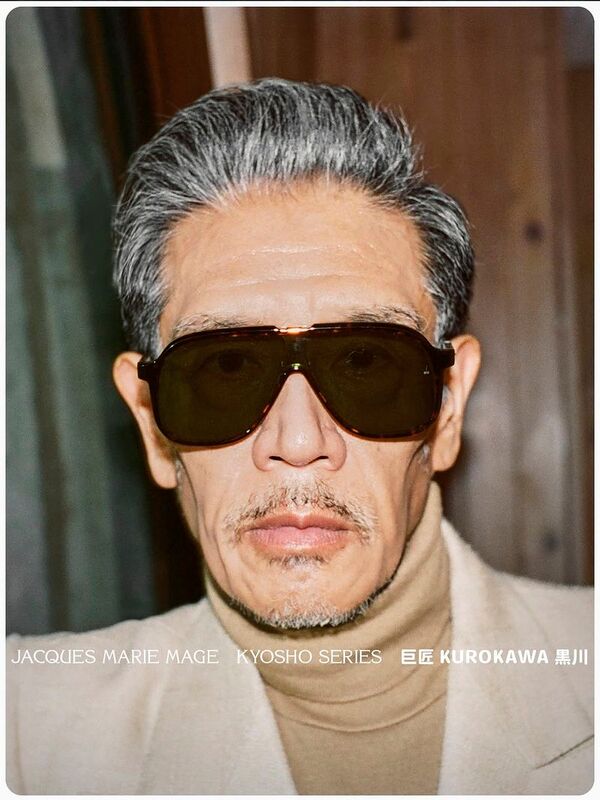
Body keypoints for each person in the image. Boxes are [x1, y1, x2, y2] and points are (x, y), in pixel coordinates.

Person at [7, 78, 592, 795]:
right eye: (226, 368)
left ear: (449, 409)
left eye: (365, 363)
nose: (297, 440)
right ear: (151, 424)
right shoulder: (26, 738)